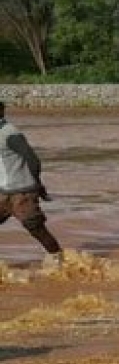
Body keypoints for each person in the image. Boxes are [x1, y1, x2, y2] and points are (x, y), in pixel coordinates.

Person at [0, 101, 63, 268]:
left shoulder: (10, 134)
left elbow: (33, 160)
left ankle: (58, 262)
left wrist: (38, 185)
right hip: (3, 192)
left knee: (36, 229)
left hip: (23, 194)